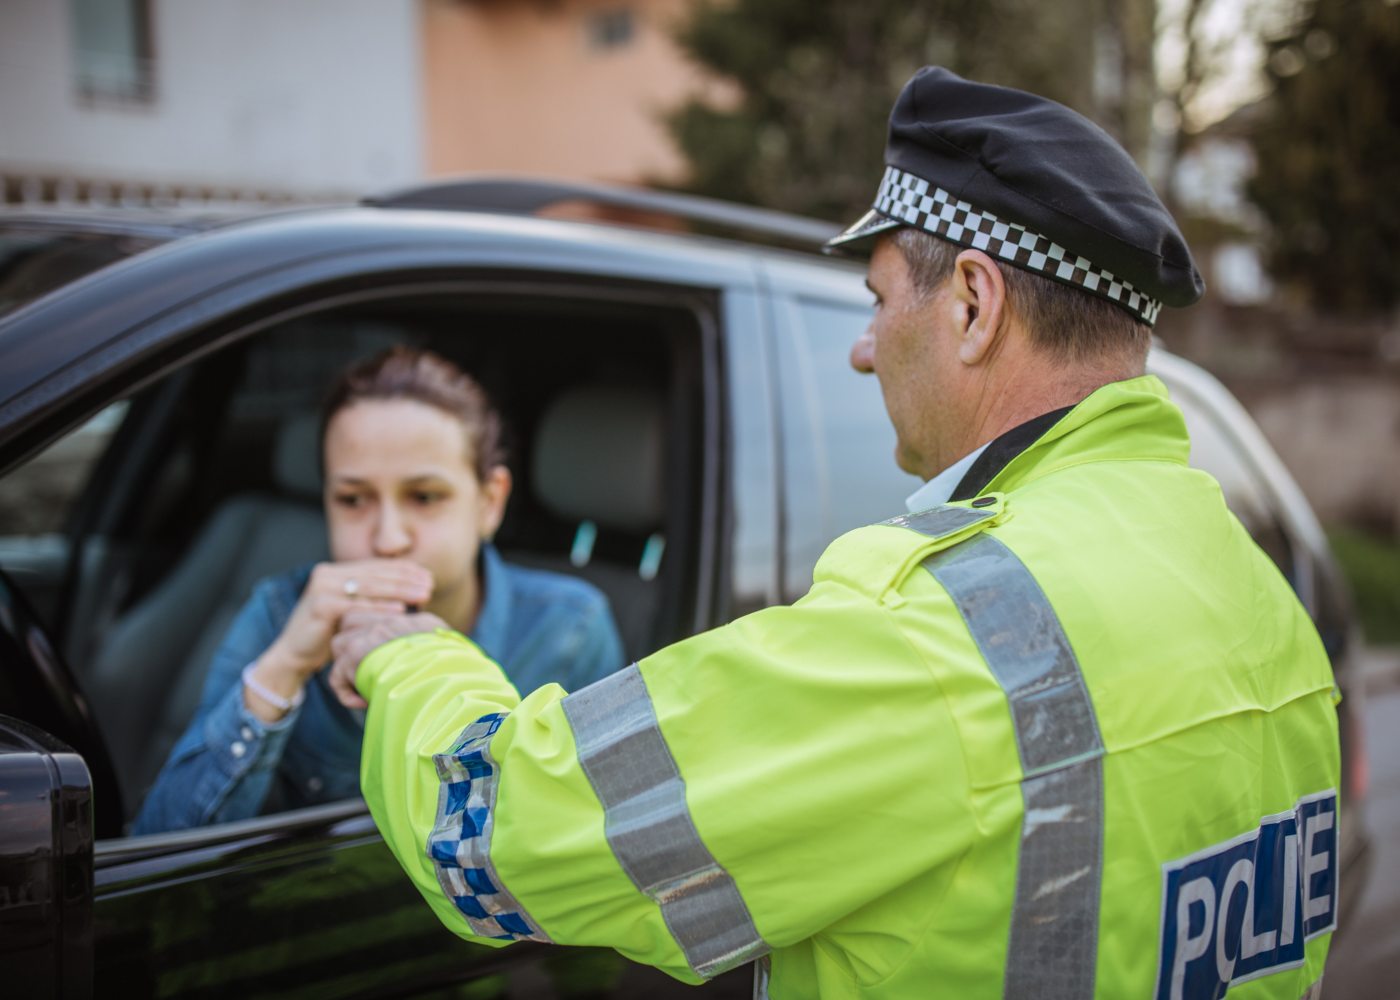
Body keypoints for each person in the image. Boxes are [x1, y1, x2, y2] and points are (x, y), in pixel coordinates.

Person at [327, 69, 1340, 999]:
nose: (860, 350)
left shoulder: (940, 634)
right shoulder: (1250, 586)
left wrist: (407, 653)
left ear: (974, 304)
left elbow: (494, 839)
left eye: (876, 298)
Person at [134, 346, 625, 833]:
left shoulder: (568, 630)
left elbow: (593, 837)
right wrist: (283, 669)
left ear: (489, 502)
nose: (388, 539)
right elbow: (158, 845)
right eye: (353, 500)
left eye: (425, 497)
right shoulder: (282, 612)